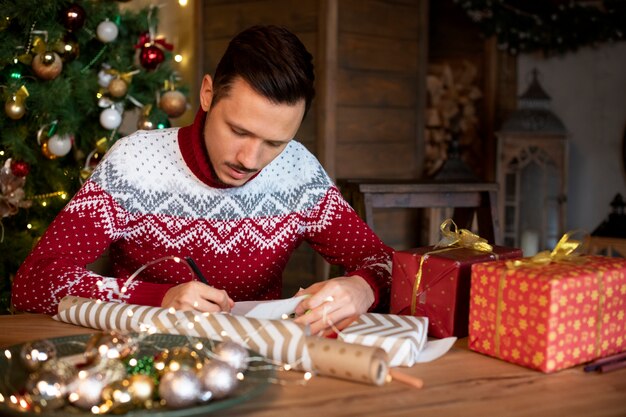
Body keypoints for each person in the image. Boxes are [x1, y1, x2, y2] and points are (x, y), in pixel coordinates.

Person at [12, 25, 392, 335]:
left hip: (266, 362)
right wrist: (157, 298)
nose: (250, 160)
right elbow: (34, 283)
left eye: (275, 142)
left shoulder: (298, 171)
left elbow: (384, 263)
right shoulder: (135, 163)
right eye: (238, 131)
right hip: (145, 359)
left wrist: (363, 287)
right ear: (208, 94)